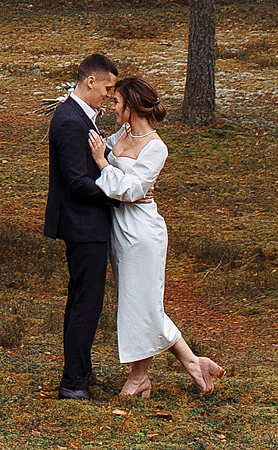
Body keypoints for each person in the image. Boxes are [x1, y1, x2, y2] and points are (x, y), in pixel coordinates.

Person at [90, 75, 225, 398]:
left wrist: (102, 163)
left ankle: (140, 379)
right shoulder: (122, 132)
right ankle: (193, 362)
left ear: (132, 105)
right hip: (120, 229)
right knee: (141, 304)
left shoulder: (156, 147)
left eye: (116, 102)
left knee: (142, 305)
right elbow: (122, 181)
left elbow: (131, 189)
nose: (113, 106)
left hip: (143, 234)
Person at [43, 52, 122, 399]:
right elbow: (76, 181)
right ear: (90, 81)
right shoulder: (71, 120)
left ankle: (82, 371)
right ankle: (72, 382)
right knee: (85, 304)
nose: (109, 95)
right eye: (107, 88)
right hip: (82, 225)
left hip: (85, 224)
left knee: (85, 301)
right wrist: (120, 196)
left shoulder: (79, 116)